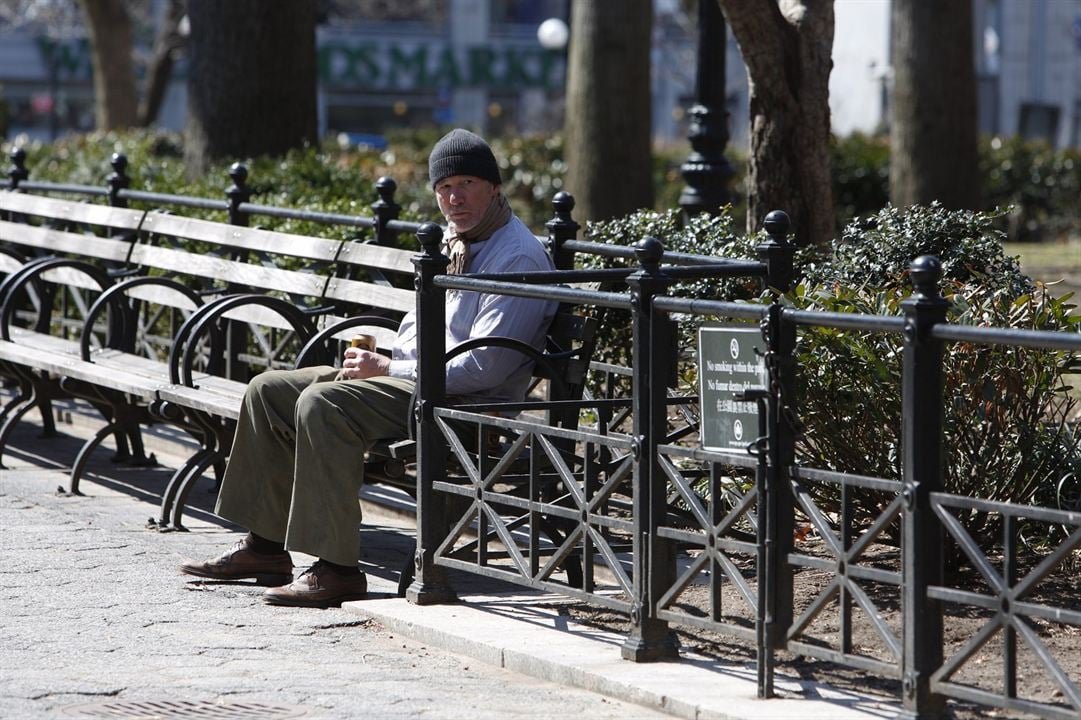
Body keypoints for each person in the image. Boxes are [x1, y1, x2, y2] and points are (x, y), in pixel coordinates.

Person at [180, 129, 558, 608]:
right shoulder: (455, 241)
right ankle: (265, 548)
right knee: (268, 390)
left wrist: (392, 365)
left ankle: (336, 569)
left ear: (494, 188)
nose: (454, 197)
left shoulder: (516, 256)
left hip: (460, 403)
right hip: (418, 382)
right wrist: (382, 358)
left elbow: (484, 367)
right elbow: (420, 326)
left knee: (323, 404)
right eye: (444, 188)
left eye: (466, 184)